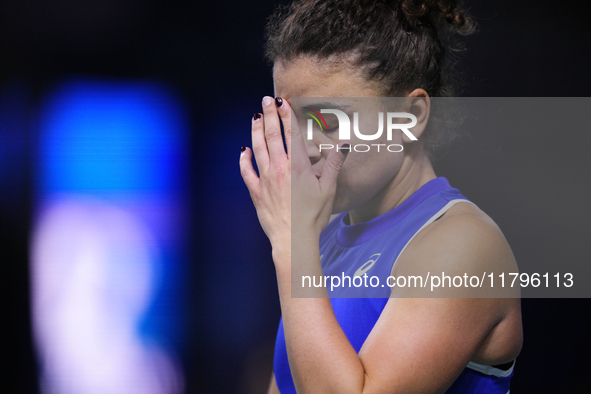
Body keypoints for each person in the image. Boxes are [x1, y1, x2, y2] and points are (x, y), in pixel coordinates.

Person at [239, 0, 523, 392]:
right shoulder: (318, 241)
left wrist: (290, 245)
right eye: (289, 118)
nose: (303, 145)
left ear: (412, 117)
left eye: (327, 119)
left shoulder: (465, 244)